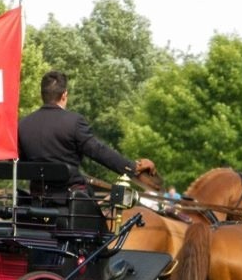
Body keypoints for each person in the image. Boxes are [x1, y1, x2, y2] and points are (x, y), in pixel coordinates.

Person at [18, 70, 156, 194]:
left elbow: (23, 162)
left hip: (36, 200)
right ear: (64, 95)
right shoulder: (74, 122)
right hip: (71, 201)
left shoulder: (23, 125)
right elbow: (98, 151)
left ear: (42, 95)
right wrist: (132, 167)